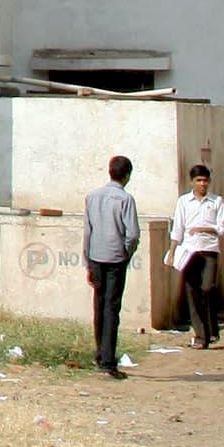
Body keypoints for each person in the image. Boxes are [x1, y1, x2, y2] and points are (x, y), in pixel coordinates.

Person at [84, 155, 142, 377]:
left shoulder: (92, 197)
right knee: (111, 308)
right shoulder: (125, 199)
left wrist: (87, 260)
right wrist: (127, 252)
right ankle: (108, 360)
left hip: (96, 256)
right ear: (127, 176)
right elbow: (133, 234)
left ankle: (100, 354)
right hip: (116, 257)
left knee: (99, 305)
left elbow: (87, 231)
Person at [170, 164, 224, 348]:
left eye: (205, 180)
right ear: (192, 182)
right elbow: (177, 229)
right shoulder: (183, 202)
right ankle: (201, 336)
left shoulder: (216, 201)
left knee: (207, 288)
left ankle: (212, 329)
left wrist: (204, 228)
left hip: (210, 250)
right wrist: (172, 252)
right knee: (192, 292)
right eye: (199, 180)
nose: (202, 184)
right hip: (190, 251)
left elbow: (222, 228)